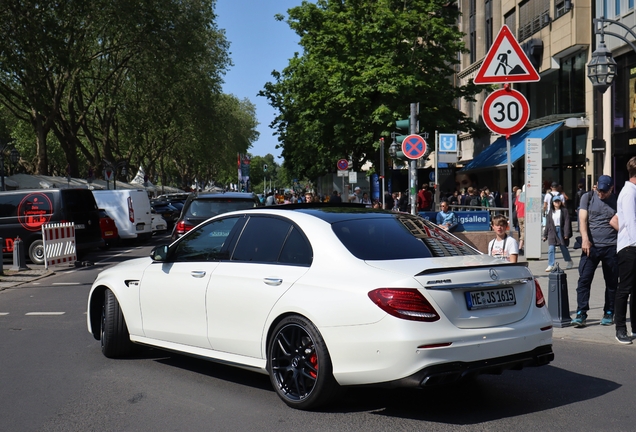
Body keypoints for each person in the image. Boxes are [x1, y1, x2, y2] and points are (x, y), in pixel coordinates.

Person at [571, 175, 618, 328]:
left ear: (611, 188)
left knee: (611, 282)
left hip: (611, 246)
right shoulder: (588, 197)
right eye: (599, 189)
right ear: (596, 185)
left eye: (604, 191)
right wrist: (585, 239)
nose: (601, 194)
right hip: (590, 247)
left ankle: (609, 311)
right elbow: (582, 219)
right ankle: (581, 312)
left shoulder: (617, 200)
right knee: (584, 280)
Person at [611, 157, 636, 344]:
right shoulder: (629, 193)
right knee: (624, 289)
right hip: (629, 247)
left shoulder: (631, 191)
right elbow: (630, 221)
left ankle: (635, 327)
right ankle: (620, 329)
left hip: (632, 246)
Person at [542, 195, 573, 272]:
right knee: (551, 248)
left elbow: (567, 222)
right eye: (555, 201)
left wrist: (566, 233)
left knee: (563, 247)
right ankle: (550, 265)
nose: (557, 203)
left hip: (561, 230)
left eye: (558, 201)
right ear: (552, 203)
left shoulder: (564, 211)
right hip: (552, 231)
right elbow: (548, 224)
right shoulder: (551, 212)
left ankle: (569, 261)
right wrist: (545, 235)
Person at [516, 186, 526, 254]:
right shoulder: (528, 196)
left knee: (522, 231)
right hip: (526, 216)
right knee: (524, 232)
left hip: (519, 215)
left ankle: (521, 247)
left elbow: (516, 208)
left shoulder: (519, 196)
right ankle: (520, 247)